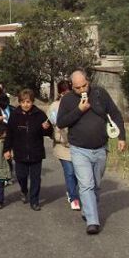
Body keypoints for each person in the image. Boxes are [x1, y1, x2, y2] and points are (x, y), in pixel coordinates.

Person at [56, 70, 127, 235]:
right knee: (86, 185)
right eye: (77, 87)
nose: (82, 90)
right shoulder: (67, 99)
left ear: (88, 81)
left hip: (101, 148)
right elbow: (61, 122)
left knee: (95, 185)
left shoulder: (99, 93)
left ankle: (87, 210)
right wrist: (79, 110)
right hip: (79, 149)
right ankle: (93, 221)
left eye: (84, 86)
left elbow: (115, 113)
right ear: (72, 86)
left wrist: (122, 137)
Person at [6, 88, 52, 211]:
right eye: (23, 102)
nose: (26, 105)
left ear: (32, 102)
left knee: (36, 178)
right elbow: (9, 133)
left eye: (28, 102)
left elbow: (48, 132)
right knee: (21, 176)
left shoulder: (40, 114)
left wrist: (46, 128)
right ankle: (23, 189)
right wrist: (7, 149)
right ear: (19, 102)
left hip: (36, 152)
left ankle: (34, 201)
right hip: (20, 152)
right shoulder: (14, 115)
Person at [48, 80, 81, 211]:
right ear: (61, 93)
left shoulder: (80, 103)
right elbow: (53, 125)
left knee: (79, 172)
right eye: (65, 92)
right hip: (62, 145)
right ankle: (74, 197)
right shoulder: (54, 107)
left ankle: (71, 190)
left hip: (78, 144)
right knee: (70, 171)